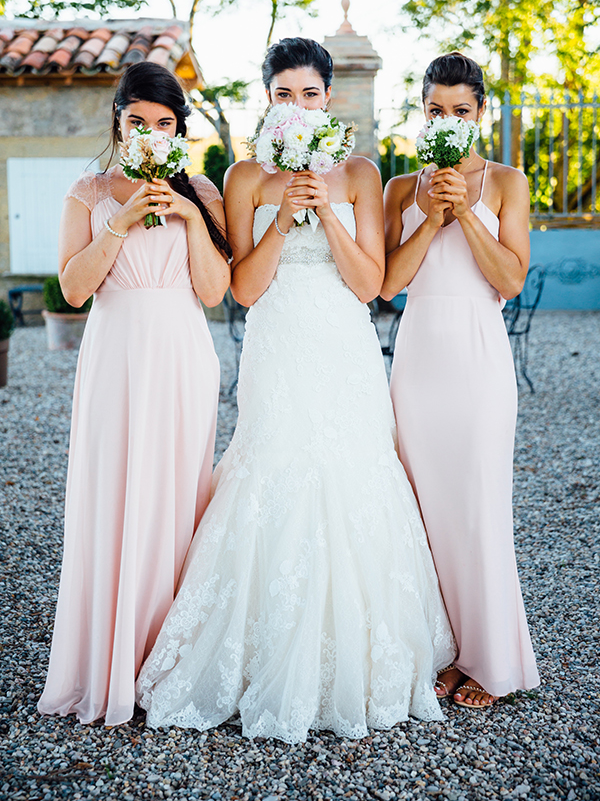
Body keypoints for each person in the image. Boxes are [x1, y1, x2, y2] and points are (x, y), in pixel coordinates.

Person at [135, 37, 455, 744]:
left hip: (342, 345)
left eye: (311, 94)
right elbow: (245, 290)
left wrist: (328, 209)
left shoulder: (363, 173)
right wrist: (284, 217)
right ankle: (256, 654)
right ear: (268, 100)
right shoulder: (245, 175)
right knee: (272, 469)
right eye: (285, 95)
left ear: (330, 100)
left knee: (352, 473)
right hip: (278, 344)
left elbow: (372, 286)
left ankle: (360, 657)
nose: (299, 105)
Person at [38, 61, 231, 726]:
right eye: (138, 121)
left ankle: (170, 662)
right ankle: (112, 660)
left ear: (179, 129)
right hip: (116, 356)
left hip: (182, 355)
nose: (150, 132)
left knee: (178, 500)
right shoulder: (88, 190)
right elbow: (72, 289)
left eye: (165, 123)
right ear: (118, 123)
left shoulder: (200, 188)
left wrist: (187, 213)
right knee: (116, 496)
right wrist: (119, 222)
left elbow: (214, 291)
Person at [381, 52, 540, 709]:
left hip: (477, 356)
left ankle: (491, 660)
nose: (448, 120)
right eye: (436, 110)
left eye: (461, 111)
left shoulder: (507, 182)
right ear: (423, 114)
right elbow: (389, 287)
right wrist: (433, 215)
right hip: (417, 357)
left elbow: (509, 279)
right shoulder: (397, 189)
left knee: (476, 510)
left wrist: (466, 213)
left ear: (481, 115)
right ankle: (443, 650)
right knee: (421, 512)